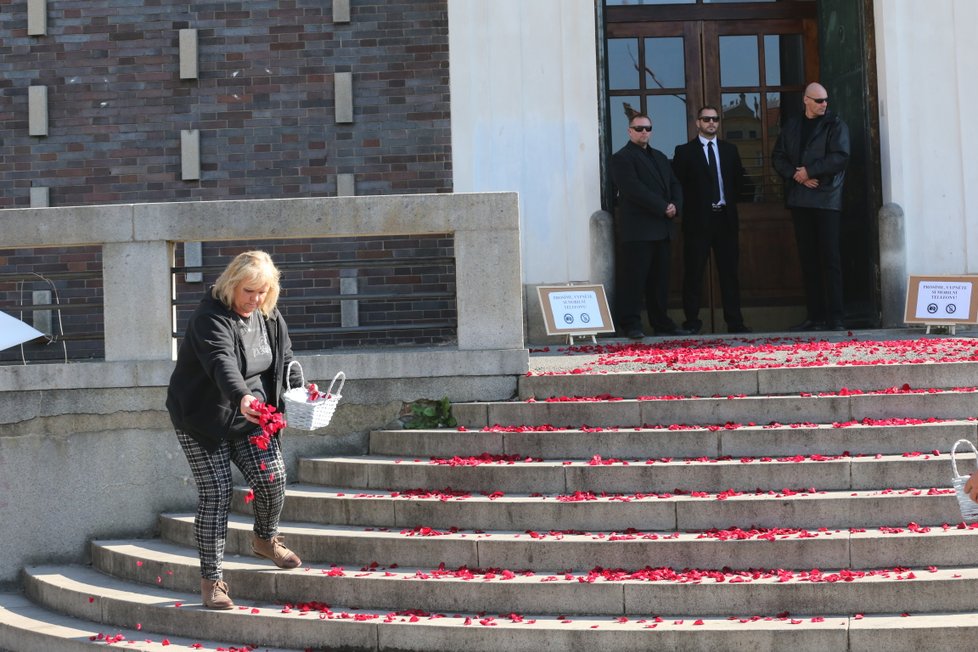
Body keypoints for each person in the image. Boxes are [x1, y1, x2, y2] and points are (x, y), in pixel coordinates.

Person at [166, 250, 304, 610]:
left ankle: (265, 539)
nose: (254, 300)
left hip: (252, 416)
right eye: (248, 291)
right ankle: (212, 581)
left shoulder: (268, 315)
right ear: (231, 285)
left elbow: (284, 357)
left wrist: (299, 383)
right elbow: (220, 362)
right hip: (202, 417)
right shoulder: (208, 318)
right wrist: (242, 396)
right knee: (217, 492)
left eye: (262, 292)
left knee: (272, 478)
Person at [771, 82, 851, 332]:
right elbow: (778, 156)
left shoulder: (835, 124)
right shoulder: (792, 125)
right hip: (800, 199)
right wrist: (797, 176)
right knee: (808, 260)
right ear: (806, 100)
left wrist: (810, 171)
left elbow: (840, 156)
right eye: (819, 101)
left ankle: (836, 317)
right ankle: (815, 317)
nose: (824, 104)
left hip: (826, 199)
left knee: (830, 258)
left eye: (826, 100)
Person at [672, 105, 751, 335]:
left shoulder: (729, 150)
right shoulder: (684, 151)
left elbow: (739, 182)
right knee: (694, 273)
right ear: (698, 122)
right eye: (706, 119)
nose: (711, 123)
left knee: (729, 274)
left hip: (725, 219)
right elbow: (678, 185)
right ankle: (692, 322)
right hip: (698, 222)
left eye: (715, 119)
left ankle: (735, 322)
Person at [611, 112, 689, 339]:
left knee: (660, 281)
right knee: (634, 280)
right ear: (629, 131)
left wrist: (675, 204)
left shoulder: (661, 157)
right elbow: (632, 189)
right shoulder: (622, 158)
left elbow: (675, 184)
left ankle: (661, 322)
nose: (643, 132)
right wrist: (662, 206)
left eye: (647, 128)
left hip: (662, 229)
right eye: (638, 128)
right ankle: (631, 323)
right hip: (638, 231)